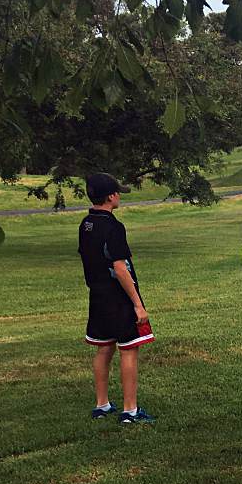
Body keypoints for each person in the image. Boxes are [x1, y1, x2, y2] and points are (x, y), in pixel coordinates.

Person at [78, 173, 156, 424]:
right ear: (111, 196)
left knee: (104, 348)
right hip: (117, 298)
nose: (120, 195)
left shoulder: (86, 223)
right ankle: (130, 411)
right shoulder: (113, 226)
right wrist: (137, 304)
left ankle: (102, 405)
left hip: (97, 295)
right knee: (129, 348)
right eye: (118, 192)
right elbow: (120, 268)